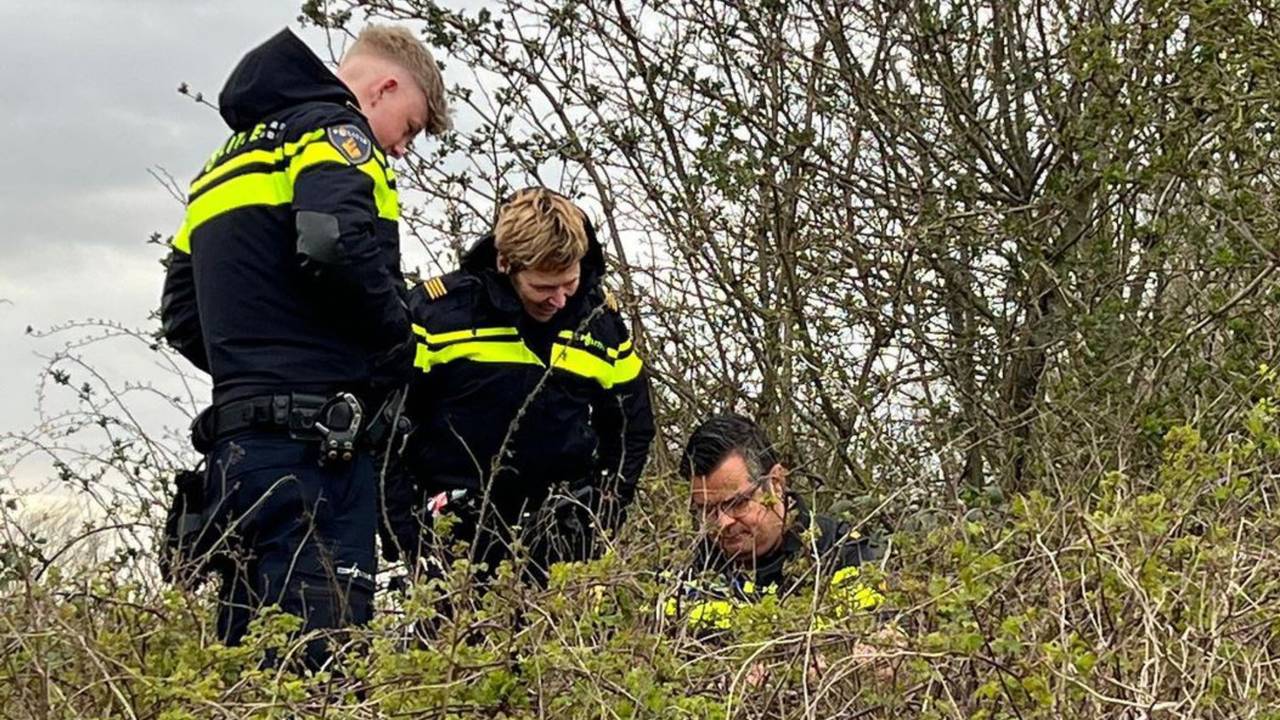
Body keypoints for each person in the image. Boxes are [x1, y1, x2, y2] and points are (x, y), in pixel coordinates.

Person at [158, 24, 449, 669]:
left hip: (237, 458)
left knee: (247, 673)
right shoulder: (336, 134)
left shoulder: (220, 164)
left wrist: (256, 373)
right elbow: (334, 244)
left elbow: (180, 311)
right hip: (319, 455)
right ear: (385, 87)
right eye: (409, 126)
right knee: (323, 670)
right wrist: (395, 350)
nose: (402, 148)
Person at [382, 187, 655, 586]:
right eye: (543, 288)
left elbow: (633, 426)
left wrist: (604, 514)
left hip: (561, 549)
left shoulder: (599, 321)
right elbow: (385, 431)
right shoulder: (437, 314)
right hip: (453, 544)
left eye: (569, 283)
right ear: (506, 263)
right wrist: (406, 536)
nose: (559, 301)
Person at [669, 414, 884, 631]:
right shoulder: (686, 571)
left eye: (738, 503)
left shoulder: (843, 554)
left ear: (776, 483)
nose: (723, 522)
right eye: (707, 509)